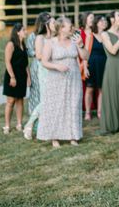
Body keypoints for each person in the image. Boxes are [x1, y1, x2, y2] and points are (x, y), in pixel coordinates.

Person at [37, 17, 88, 148]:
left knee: (73, 105)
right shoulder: (51, 42)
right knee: (57, 106)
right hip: (56, 79)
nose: (72, 28)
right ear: (61, 29)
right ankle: (55, 137)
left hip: (74, 79)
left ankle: (73, 135)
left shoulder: (74, 40)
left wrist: (81, 45)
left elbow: (85, 57)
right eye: (69, 26)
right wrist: (57, 66)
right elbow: (44, 61)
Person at [23, 13, 55, 140]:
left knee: (50, 99)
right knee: (42, 98)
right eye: (52, 22)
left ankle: (44, 125)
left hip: (53, 67)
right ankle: (32, 124)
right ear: (45, 24)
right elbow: (35, 54)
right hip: (41, 68)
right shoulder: (36, 37)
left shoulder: (54, 36)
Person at [99, 11, 119, 134]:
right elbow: (112, 50)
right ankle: (111, 124)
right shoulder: (105, 34)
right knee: (113, 93)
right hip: (112, 65)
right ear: (112, 19)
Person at [2, 23, 30, 134]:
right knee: (10, 101)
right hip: (12, 75)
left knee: (20, 100)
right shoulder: (11, 44)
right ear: (17, 32)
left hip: (22, 75)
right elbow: (7, 62)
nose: (26, 31)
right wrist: (12, 77)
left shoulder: (23, 44)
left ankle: (19, 124)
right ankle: (7, 126)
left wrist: (29, 77)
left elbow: (26, 63)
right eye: (24, 30)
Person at [83, 14, 108, 120]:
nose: (104, 22)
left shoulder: (107, 36)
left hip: (105, 65)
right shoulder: (90, 36)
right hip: (92, 64)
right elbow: (85, 54)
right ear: (96, 23)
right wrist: (85, 67)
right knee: (90, 89)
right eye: (101, 21)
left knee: (102, 89)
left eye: (105, 21)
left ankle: (99, 112)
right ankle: (88, 112)